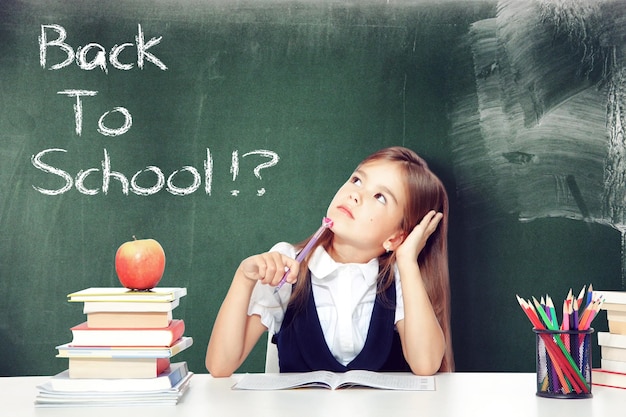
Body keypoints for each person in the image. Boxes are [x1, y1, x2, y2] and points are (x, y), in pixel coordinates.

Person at [206, 146, 454, 376]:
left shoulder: (398, 278)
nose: (355, 195)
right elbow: (220, 366)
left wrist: (407, 261)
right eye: (357, 180)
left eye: (380, 197)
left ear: (396, 237)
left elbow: (426, 365)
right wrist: (243, 277)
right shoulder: (287, 263)